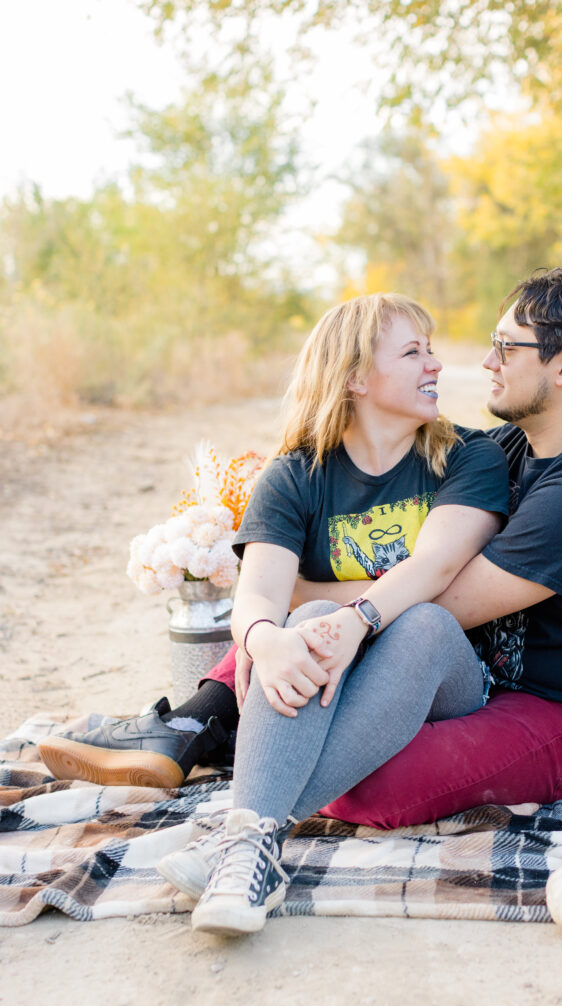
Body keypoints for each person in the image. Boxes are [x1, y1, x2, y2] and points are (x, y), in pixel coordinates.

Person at [40, 292, 510, 935]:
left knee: (415, 620)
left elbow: (435, 570)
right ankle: (250, 855)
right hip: (334, 673)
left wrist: (352, 617)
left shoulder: (466, 456)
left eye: (430, 349)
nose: (435, 364)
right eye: (413, 352)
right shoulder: (295, 474)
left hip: (446, 672)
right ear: (354, 376)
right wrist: (264, 637)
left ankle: (242, 833)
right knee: (296, 621)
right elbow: (260, 595)